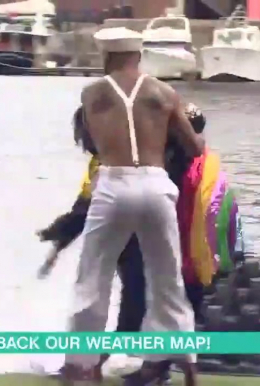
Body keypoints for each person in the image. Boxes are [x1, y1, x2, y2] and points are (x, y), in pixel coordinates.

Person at [59, 27, 204, 386]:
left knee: (93, 277)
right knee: (167, 278)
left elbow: (95, 140)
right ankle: (185, 362)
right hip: (156, 185)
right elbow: (196, 148)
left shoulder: (92, 93)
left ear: (106, 56)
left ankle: (82, 366)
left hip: (113, 184)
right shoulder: (165, 92)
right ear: (138, 55)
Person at [38, 103, 210, 384]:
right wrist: (58, 244)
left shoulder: (159, 150)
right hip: (134, 242)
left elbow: (194, 128)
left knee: (153, 300)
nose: (86, 142)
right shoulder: (103, 163)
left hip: (178, 236)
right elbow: (85, 208)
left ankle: (147, 367)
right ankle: (106, 363)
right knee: (135, 299)